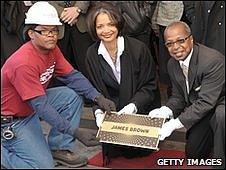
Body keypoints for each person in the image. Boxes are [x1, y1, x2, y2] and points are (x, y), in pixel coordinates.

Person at [1, 2, 116, 169]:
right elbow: (41, 106)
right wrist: (75, 132)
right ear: (31, 33)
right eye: (45, 31)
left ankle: (59, 148)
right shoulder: (23, 63)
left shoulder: (51, 49)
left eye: (54, 30)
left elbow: (73, 76)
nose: (51, 35)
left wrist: (98, 97)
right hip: (12, 120)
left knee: (70, 96)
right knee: (42, 166)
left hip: (29, 108)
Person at [85, 2, 159, 164]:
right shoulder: (91, 54)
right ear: (94, 29)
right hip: (113, 113)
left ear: (118, 24)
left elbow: (150, 85)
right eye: (100, 26)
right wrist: (98, 112)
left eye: (111, 24)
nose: (106, 30)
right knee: (114, 153)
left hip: (140, 110)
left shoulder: (138, 48)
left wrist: (132, 107)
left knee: (138, 153)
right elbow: (94, 89)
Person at [149, 21, 225, 168]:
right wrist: (165, 111)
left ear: (191, 39)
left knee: (222, 115)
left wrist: (173, 125)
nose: (176, 47)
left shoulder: (212, 61)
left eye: (180, 40)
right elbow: (179, 97)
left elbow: (206, 102)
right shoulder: (172, 64)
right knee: (194, 154)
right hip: (203, 109)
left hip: (219, 102)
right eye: (169, 44)